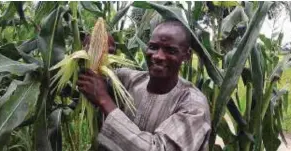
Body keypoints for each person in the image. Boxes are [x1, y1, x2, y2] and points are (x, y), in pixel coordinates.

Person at [77, 19, 211, 151]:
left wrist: (104, 99)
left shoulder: (193, 105)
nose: (158, 56)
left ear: (186, 56)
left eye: (170, 50)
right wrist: (96, 52)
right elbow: (91, 78)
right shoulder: (128, 79)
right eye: (153, 47)